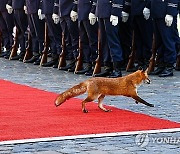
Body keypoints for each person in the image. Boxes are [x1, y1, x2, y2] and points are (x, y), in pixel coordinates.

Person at [94, 0, 124, 78]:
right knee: (104, 42)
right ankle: (108, 67)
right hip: (102, 11)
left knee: (113, 41)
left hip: (110, 12)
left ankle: (117, 69)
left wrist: (115, 12)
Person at [150, 0, 179, 77]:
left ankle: (169, 66)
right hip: (157, 12)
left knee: (168, 41)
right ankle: (161, 64)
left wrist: (170, 12)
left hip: (166, 12)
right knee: (159, 42)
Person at [123, 0, 153, 71]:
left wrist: (148, 6)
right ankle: (140, 62)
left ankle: (147, 62)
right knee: (138, 40)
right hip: (135, 10)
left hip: (144, 10)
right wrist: (126, 9)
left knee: (147, 39)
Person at [52, 0, 79, 71]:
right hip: (62, 11)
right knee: (67, 38)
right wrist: (56, 10)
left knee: (74, 38)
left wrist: (75, 8)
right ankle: (71, 60)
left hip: (70, 10)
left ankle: (77, 60)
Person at [74, 0, 98, 75]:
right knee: (84, 41)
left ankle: (94, 63)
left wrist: (93, 11)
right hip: (81, 12)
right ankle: (88, 64)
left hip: (89, 12)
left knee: (92, 41)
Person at [40, 0, 62, 68]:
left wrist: (55, 10)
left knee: (56, 35)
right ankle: (54, 56)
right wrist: (41, 8)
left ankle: (59, 56)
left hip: (52, 9)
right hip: (47, 8)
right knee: (51, 35)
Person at [24, 0, 45, 65]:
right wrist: (26, 4)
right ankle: (35, 53)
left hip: (36, 7)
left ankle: (42, 54)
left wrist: (41, 7)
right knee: (33, 33)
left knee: (39, 33)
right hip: (30, 6)